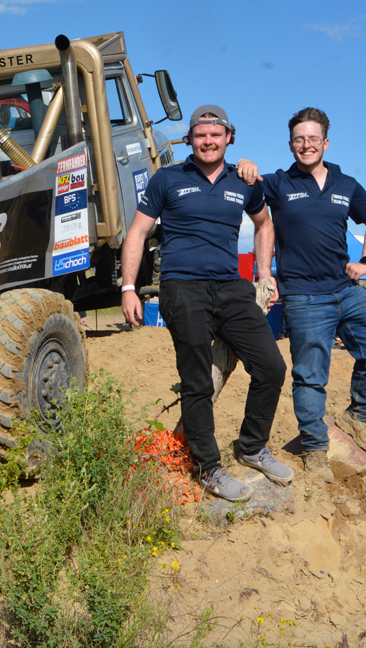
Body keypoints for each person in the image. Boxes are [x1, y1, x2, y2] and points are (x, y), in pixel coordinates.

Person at [120, 105, 290, 502]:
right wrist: (129, 287)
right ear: (191, 139)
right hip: (183, 288)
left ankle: (251, 447)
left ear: (229, 137)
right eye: (201, 135)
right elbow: (137, 232)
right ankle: (208, 468)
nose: (208, 141)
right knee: (197, 380)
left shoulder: (244, 180)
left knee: (271, 366)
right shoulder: (167, 179)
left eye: (216, 134)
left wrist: (264, 273)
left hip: (231, 288)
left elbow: (264, 224)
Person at [245, 107, 366, 482]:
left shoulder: (347, 185)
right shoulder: (278, 183)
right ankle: (315, 448)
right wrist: (244, 165)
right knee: (310, 376)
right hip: (305, 297)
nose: (306, 145)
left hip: (347, 288)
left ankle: (360, 416)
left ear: (325, 142)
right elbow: (248, 191)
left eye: (313, 139)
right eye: (299, 139)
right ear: (291, 144)